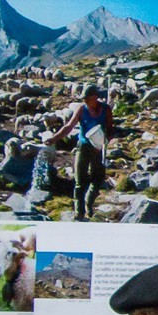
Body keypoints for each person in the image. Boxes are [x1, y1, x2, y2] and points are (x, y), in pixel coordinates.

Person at [53, 85, 113, 221]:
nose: (85, 101)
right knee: (80, 179)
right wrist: (54, 138)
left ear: (95, 97)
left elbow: (110, 128)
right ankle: (79, 212)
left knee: (97, 179)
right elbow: (68, 126)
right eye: (84, 99)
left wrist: (105, 142)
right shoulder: (81, 109)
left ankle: (89, 203)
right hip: (84, 146)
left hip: (99, 147)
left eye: (87, 98)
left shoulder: (105, 109)